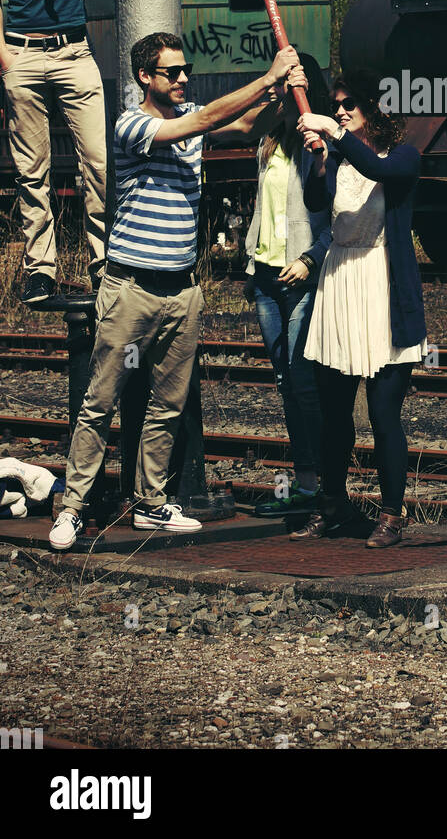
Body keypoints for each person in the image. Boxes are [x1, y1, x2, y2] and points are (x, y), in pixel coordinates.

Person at [49, 32, 298, 550]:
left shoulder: (192, 116)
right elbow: (201, 124)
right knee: (100, 400)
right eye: (172, 72)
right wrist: (268, 77)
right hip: (131, 287)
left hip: (182, 290)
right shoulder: (134, 124)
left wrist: (282, 96)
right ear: (145, 76)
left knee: (168, 404)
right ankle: (71, 508)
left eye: (186, 70)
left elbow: (246, 126)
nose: (184, 78)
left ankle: (151, 503)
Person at [292, 73, 426, 548]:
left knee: (384, 412)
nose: (342, 110)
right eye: (337, 104)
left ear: (374, 108)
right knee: (333, 414)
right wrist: (318, 161)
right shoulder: (341, 156)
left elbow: (380, 171)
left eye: (351, 104)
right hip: (338, 282)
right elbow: (313, 202)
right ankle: (331, 506)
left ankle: (392, 513)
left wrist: (335, 132)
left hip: (383, 286)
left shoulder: (403, 156)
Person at [0, 0, 108, 303]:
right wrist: (4, 57)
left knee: (99, 165)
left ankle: (105, 264)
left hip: (73, 53)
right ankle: (40, 270)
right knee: (32, 173)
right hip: (21, 57)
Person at [238, 53, 331, 516]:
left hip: (302, 277)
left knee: (303, 381)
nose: (278, 90)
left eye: (288, 83)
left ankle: (325, 489)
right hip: (267, 277)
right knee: (285, 384)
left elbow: (339, 214)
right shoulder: (271, 137)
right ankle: (307, 484)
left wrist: (311, 260)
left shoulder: (321, 139)